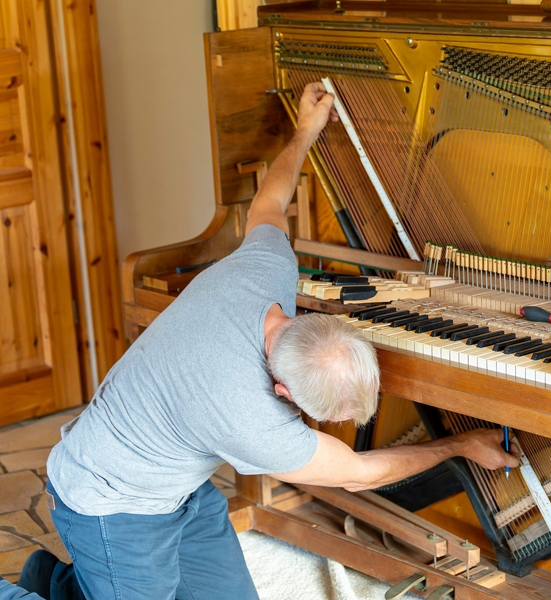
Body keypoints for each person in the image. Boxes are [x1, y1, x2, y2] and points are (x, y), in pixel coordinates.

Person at [45, 82, 519, 600]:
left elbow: (270, 202)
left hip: (177, 487)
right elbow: (359, 474)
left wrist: (304, 133)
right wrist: (461, 445)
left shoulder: (265, 270)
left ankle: (63, 582)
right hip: (111, 499)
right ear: (283, 394)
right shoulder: (249, 416)